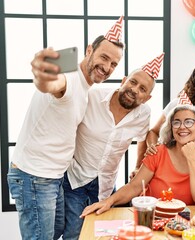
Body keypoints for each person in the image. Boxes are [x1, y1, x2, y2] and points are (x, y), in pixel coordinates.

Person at [7, 16, 125, 240]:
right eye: (104, 57)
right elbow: (53, 84)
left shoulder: (86, 88)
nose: (107, 67)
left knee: (57, 231)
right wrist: (43, 76)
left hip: (55, 177)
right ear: (89, 50)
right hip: (34, 176)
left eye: (114, 64)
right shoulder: (70, 78)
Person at [62, 53, 165, 239]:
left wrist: (137, 166)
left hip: (106, 185)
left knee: (109, 234)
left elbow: (143, 137)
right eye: (133, 82)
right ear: (124, 80)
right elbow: (67, 126)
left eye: (142, 89)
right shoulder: (92, 97)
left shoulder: (143, 114)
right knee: (75, 234)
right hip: (75, 180)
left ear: (147, 98)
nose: (134, 90)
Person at [79, 104, 195, 217]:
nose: (182, 127)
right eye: (176, 122)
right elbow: (134, 187)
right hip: (150, 218)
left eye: (189, 122)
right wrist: (108, 201)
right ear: (171, 128)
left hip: (186, 225)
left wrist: (192, 159)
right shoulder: (157, 152)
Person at [131, 45, 195, 178]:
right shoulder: (178, 104)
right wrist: (154, 151)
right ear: (194, 83)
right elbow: (153, 132)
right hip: (166, 166)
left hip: (194, 170)